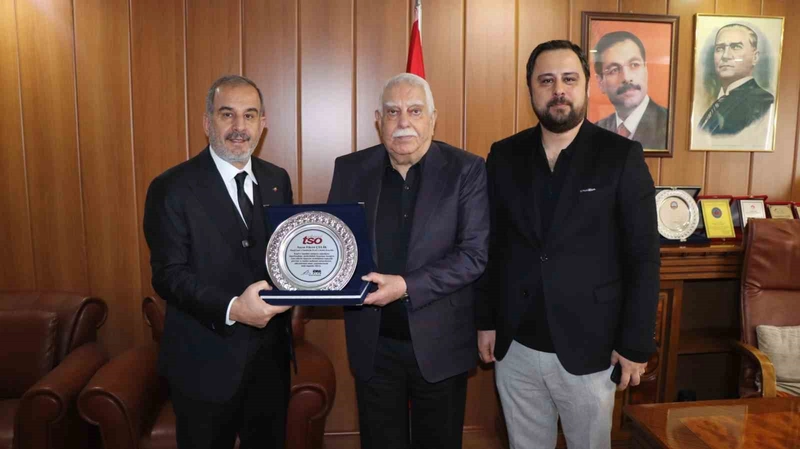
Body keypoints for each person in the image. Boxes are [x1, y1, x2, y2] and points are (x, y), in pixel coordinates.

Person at [476, 40, 660, 449]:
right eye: (546, 80)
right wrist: (486, 320)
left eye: (569, 79)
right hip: (516, 345)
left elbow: (644, 258)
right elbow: (492, 245)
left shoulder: (621, 157)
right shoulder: (504, 156)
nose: (558, 90)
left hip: (592, 348)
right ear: (531, 89)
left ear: (586, 86)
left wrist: (635, 344)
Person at [327, 73, 489, 449]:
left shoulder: (466, 170)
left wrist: (405, 286)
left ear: (432, 118)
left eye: (415, 111)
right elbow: (335, 246)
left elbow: (473, 255)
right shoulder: (350, 170)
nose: (403, 122)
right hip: (374, 344)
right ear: (378, 120)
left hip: (441, 345)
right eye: (392, 112)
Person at [143, 75, 294, 449]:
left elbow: (287, 257)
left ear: (263, 123)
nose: (239, 127)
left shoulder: (277, 180)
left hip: (270, 365)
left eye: (250, 115)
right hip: (203, 366)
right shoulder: (171, 188)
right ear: (207, 122)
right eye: (228, 114)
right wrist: (233, 308)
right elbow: (168, 275)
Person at [593, 31, 669, 149]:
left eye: (634, 65)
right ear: (600, 82)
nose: (626, 78)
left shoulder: (671, 125)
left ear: (646, 70)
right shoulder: (596, 131)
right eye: (614, 70)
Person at [698, 23, 774, 135]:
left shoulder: (763, 102)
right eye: (720, 48)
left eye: (736, 47)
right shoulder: (719, 101)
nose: (725, 56)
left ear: (755, 57)